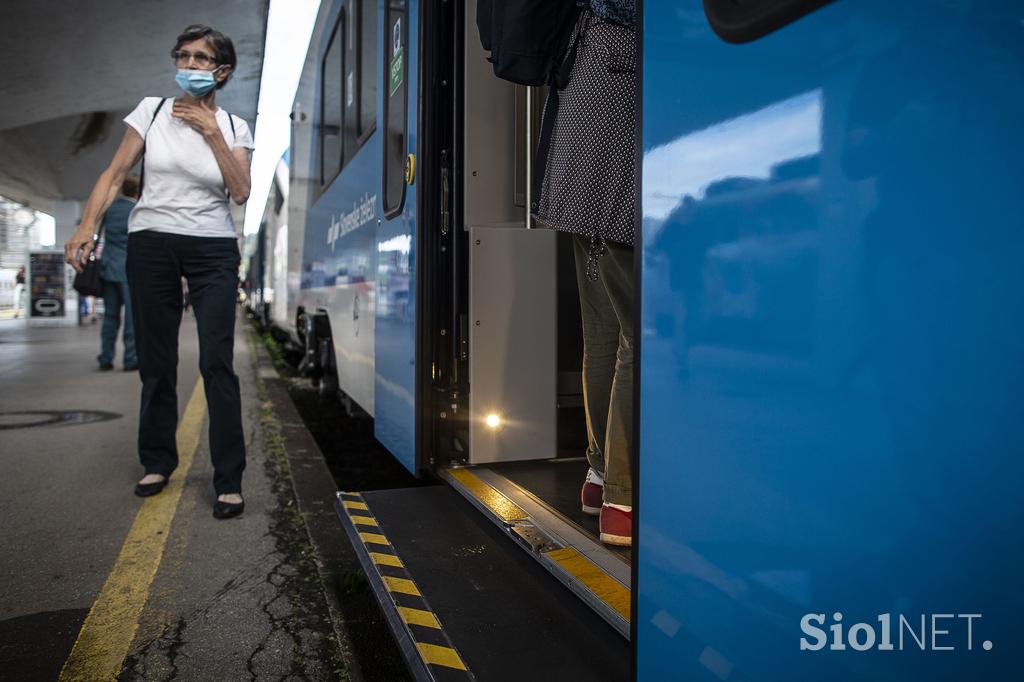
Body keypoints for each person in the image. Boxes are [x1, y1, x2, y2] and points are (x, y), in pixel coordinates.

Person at [64, 25, 254, 519]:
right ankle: (157, 460)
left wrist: (211, 133)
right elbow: (112, 174)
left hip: (213, 249)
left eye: (200, 59)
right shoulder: (150, 112)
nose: (189, 66)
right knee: (156, 360)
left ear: (222, 71)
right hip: (152, 244)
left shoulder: (234, 127)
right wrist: (87, 225)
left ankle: (228, 478)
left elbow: (240, 191)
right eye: (183, 56)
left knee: (217, 361)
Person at [533, 0, 638, 546]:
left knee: (603, 333)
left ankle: (598, 478)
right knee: (636, 337)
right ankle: (624, 498)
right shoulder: (626, 21)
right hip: (617, 172)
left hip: (579, 171)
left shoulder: (585, 23)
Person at [97, 176, 140, 371]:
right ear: (138, 191)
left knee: (110, 316)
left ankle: (106, 357)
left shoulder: (110, 209)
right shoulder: (137, 210)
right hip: (130, 271)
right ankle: (130, 358)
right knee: (131, 318)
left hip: (108, 269)